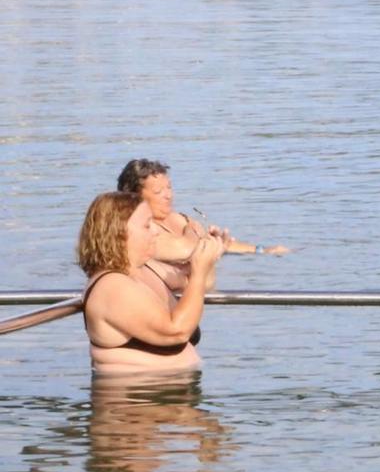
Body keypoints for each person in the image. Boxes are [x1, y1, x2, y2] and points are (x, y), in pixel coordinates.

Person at [77, 190, 224, 374]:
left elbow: (200, 285)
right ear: (119, 233)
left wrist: (208, 253)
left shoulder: (145, 269)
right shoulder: (112, 287)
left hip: (175, 391)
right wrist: (199, 272)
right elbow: (176, 332)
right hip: (140, 397)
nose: (156, 231)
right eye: (147, 225)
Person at [117, 158, 289, 260]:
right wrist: (192, 230)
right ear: (134, 196)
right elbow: (185, 249)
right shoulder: (142, 231)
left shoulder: (178, 218)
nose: (168, 195)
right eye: (158, 191)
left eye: (169, 187)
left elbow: (213, 246)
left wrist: (263, 250)